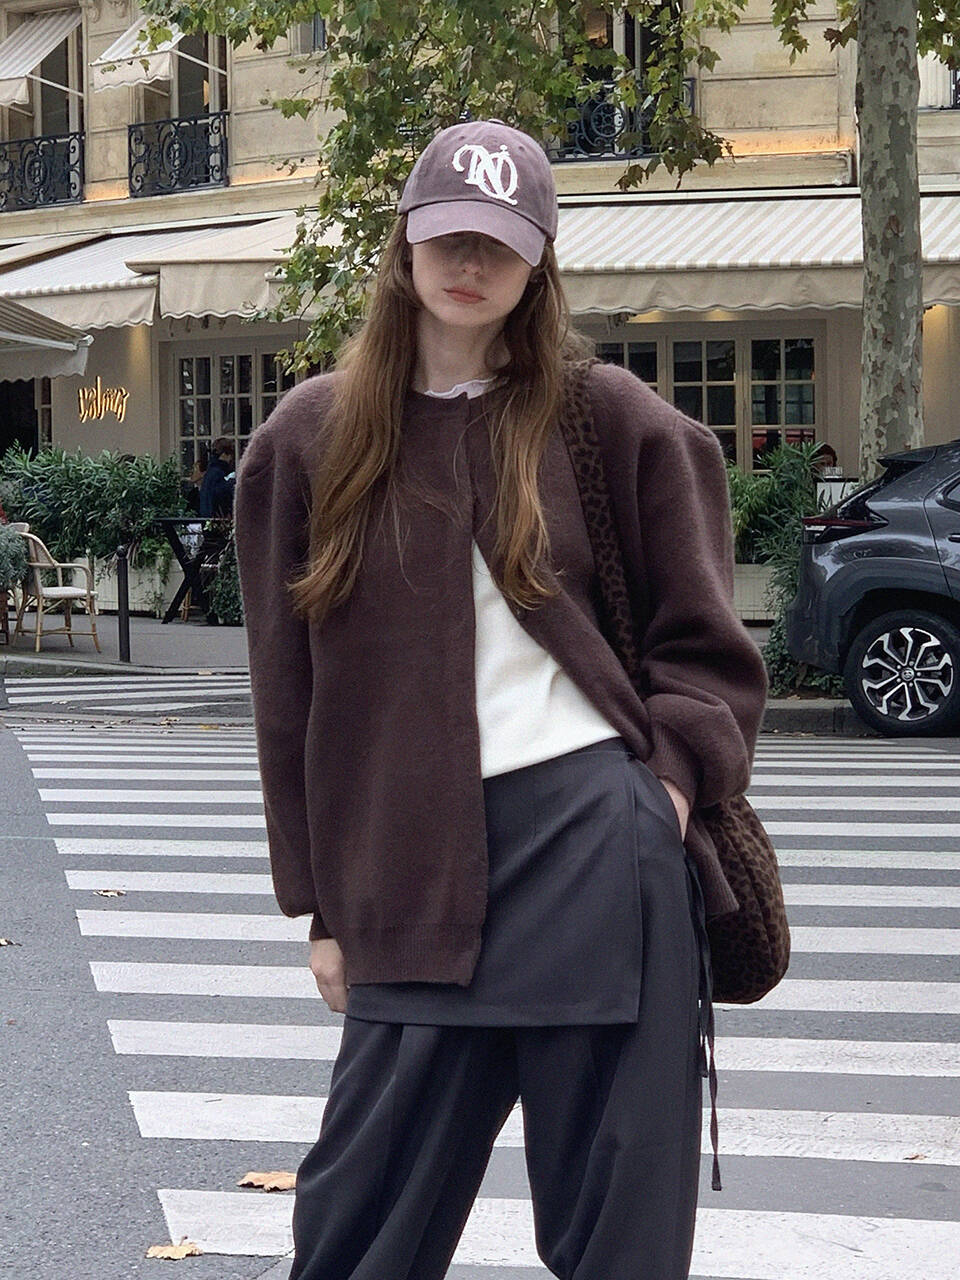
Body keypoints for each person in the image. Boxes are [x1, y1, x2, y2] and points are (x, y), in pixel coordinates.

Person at [235, 118, 768, 1280]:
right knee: (357, 1227)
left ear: (538, 263)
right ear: (404, 245)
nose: (469, 262)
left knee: (618, 1232)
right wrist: (318, 906)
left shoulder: (609, 417)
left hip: (596, 847)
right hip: (403, 861)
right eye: (448, 236)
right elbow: (287, 697)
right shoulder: (310, 436)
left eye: (499, 242)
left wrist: (667, 792)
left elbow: (705, 650)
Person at [197, 436, 235, 517]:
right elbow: (219, 494)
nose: (231, 459)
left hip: (208, 517)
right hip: (215, 518)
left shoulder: (211, 471)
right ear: (224, 454)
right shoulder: (218, 472)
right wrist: (232, 483)